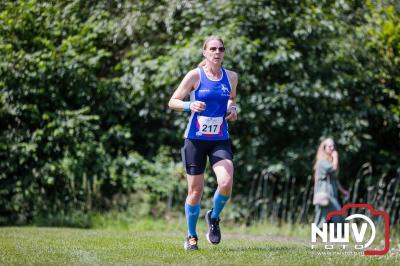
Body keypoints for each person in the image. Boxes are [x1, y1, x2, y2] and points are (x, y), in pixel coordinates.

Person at [168, 36, 238, 251]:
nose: (217, 52)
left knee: (225, 182)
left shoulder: (232, 77)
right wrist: (190, 105)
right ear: (205, 52)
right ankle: (191, 236)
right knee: (195, 191)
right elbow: (173, 101)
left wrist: (233, 108)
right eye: (213, 49)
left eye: (221, 49)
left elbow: (231, 99)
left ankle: (214, 218)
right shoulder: (195, 75)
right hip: (195, 141)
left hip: (219, 139)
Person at [313, 138, 349, 230]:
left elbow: (335, 179)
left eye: (333, 146)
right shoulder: (322, 162)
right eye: (330, 146)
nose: (332, 148)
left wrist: (343, 191)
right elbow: (333, 168)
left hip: (330, 193)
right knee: (338, 214)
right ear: (324, 148)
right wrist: (336, 157)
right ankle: (339, 236)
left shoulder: (328, 161)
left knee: (321, 216)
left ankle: (317, 235)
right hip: (325, 193)